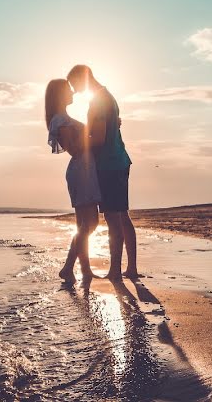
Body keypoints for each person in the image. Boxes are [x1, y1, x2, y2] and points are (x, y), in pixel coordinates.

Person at [66, 65, 138, 280]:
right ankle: (130, 268)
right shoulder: (108, 97)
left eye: (75, 84)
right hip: (119, 160)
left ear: (83, 78)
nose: (75, 90)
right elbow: (109, 129)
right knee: (122, 215)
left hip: (109, 165)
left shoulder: (98, 101)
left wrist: (79, 141)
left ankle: (115, 271)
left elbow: (98, 138)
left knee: (113, 217)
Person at [45, 78, 101, 284]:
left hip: (85, 169)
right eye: (68, 90)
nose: (73, 93)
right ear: (59, 94)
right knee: (91, 223)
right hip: (82, 171)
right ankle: (68, 267)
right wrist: (97, 137)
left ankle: (85, 270)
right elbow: (74, 148)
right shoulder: (60, 120)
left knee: (83, 225)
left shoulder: (64, 118)